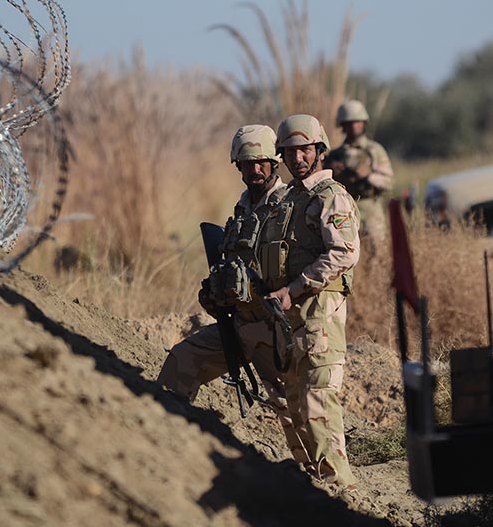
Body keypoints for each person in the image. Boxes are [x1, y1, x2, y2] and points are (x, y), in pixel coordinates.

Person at [156, 124, 311, 468]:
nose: (254, 170)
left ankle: (327, 489)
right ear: (237, 166)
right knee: (182, 361)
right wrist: (216, 290)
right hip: (238, 326)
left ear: (274, 163)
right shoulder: (243, 210)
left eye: (261, 163)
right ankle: (162, 448)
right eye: (246, 163)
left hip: (275, 331)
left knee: (296, 415)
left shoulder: (293, 207)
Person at [260, 114, 360, 488]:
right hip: (291, 316)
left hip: (320, 312)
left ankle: (342, 493)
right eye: (289, 152)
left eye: (305, 150)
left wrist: (296, 287)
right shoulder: (290, 199)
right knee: (295, 406)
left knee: (319, 404)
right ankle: (314, 491)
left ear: (319, 151)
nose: (298, 158)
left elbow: (345, 253)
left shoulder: (331, 197)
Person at [325, 99, 393, 256]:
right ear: (343, 125)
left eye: (358, 122)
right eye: (349, 122)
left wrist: (368, 176)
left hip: (370, 209)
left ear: (364, 123)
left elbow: (389, 182)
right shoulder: (335, 155)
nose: (354, 126)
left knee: (377, 255)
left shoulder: (374, 150)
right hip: (344, 209)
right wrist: (330, 170)